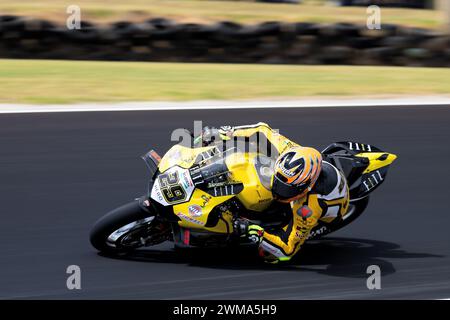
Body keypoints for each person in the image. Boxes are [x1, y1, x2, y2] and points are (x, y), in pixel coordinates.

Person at [197, 122, 350, 264]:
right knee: (256, 152)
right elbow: (262, 130)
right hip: (306, 177)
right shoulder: (288, 150)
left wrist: (253, 230)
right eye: (279, 181)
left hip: (327, 212)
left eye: (288, 189)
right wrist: (225, 133)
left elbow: (288, 249)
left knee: (270, 257)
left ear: (305, 188)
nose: (278, 191)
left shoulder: (307, 209)